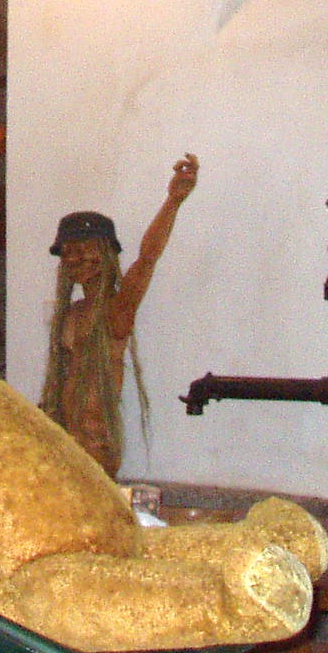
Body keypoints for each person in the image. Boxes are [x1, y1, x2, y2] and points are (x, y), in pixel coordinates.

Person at [38, 153, 199, 478]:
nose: (76, 258)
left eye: (85, 249)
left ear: (106, 254)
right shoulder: (71, 314)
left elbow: (147, 260)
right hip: (66, 436)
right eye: (68, 252)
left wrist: (173, 201)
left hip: (97, 440)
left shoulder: (116, 310)